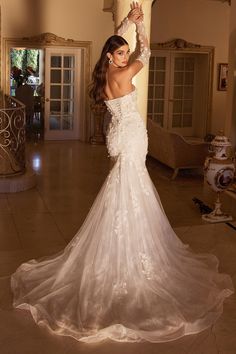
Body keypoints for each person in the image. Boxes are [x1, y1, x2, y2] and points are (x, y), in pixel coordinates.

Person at [11, 2, 234, 344]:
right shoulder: (125, 73)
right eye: (121, 53)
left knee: (124, 184)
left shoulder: (103, 78)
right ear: (112, 58)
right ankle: (131, 249)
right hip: (130, 135)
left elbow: (120, 47)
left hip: (119, 133)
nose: (127, 56)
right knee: (132, 183)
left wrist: (129, 21)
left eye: (125, 53)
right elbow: (147, 49)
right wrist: (141, 27)